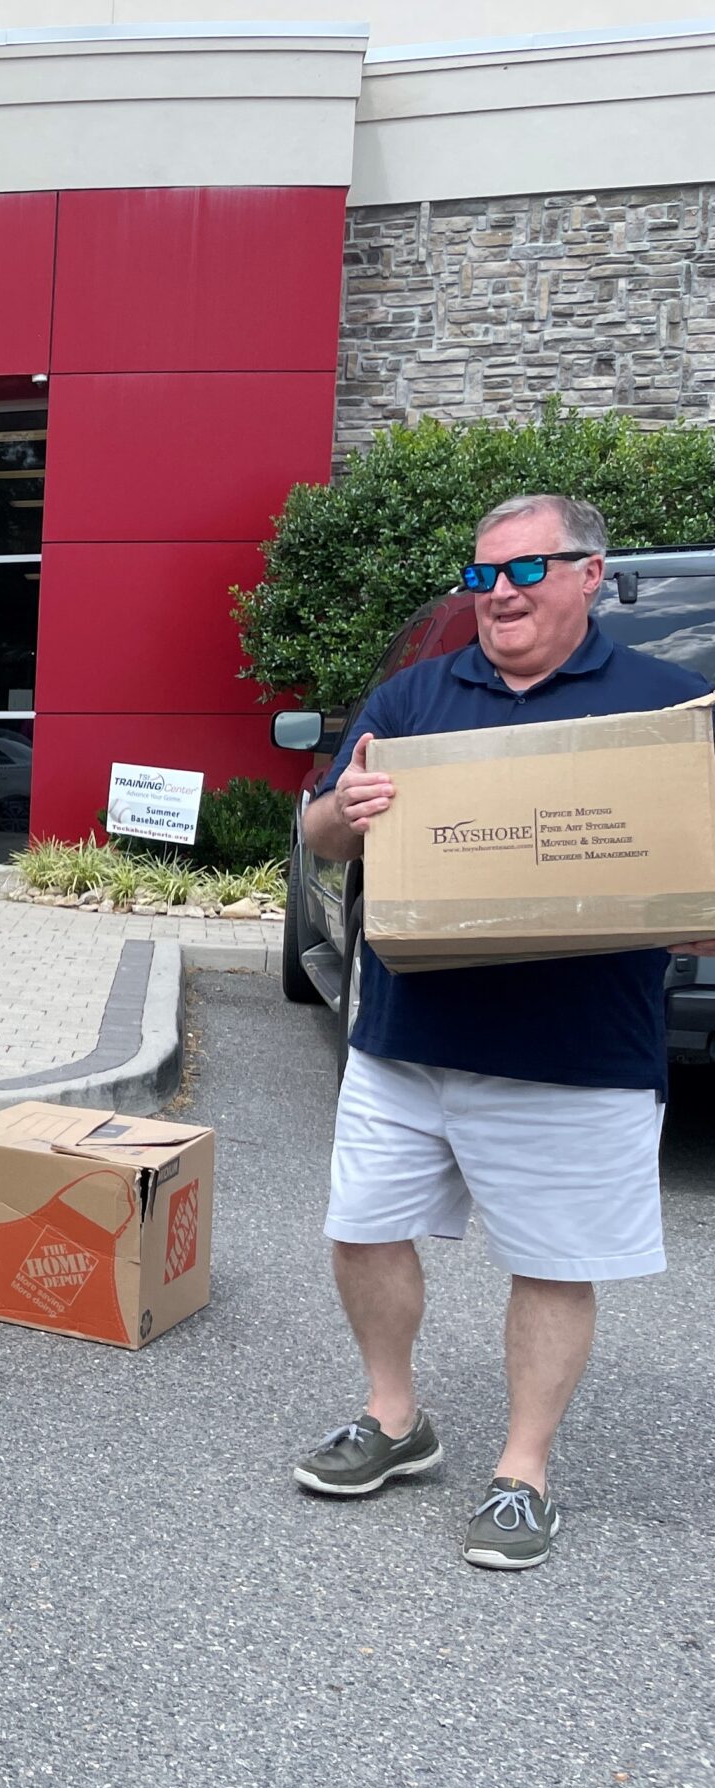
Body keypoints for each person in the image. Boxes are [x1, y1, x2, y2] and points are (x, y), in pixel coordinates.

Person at [293, 492, 715, 1567]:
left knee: (551, 1260)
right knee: (360, 1229)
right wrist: (348, 810)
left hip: (573, 1054)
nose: (500, 595)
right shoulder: (416, 696)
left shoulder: (667, 707)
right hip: (404, 1036)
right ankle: (394, 1420)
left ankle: (521, 1471)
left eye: (527, 571)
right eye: (482, 577)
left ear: (590, 574)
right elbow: (322, 833)